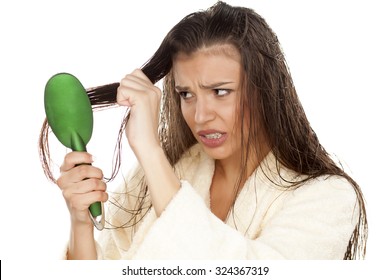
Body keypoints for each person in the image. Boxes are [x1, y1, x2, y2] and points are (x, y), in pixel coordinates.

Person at [39, 1, 367, 259]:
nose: (200, 115)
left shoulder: (329, 197)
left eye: (220, 91)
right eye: (186, 94)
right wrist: (81, 223)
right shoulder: (153, 177)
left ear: (264, 89)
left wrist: (150, 149)